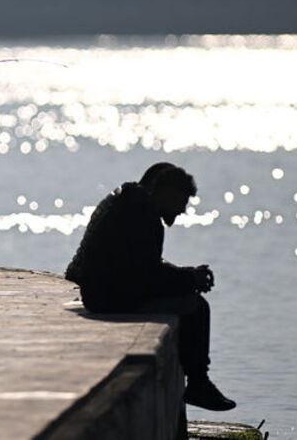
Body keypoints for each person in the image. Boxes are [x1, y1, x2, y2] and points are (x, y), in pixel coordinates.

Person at [64, 162, 236, 411]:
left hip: (102, 291)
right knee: (196, 307)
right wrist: (190, 279)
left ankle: (198, 384)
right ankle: (199, 384)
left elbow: (144, 265)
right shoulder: (141, 212)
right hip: (108, 297)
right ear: (166, 192)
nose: (182, 210)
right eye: (181, 201)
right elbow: (148, 276)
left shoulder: (127, 200)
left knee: (186, 293)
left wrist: (186, 276)